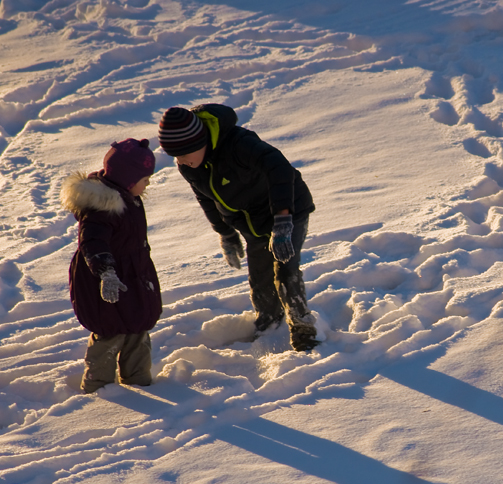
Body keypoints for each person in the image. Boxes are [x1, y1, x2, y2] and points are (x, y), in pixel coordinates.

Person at [157, 104, 318, 351]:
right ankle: (268, 328)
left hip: (288, 212)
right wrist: (226, 233)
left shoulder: (239, 144)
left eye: (183, 154)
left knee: (285, 270)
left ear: (200, 142)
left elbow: (280, 168)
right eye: (175, 157)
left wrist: (283, 221)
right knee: (260, 279)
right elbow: (206, 198)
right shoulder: (190, 165)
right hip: (251, 225)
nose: (180, 162)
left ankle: (303, 329)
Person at [61, 138, 162, 393]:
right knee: (110, 334)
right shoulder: (102, 208)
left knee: (137, 329)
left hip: (134, 276)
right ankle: (98, 391)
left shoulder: (128, 198)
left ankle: (140, 383)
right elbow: (92, 243)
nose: (148, 183)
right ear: (128, 178)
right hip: (105, 281)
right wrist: (106, 272)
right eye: (144, 179)